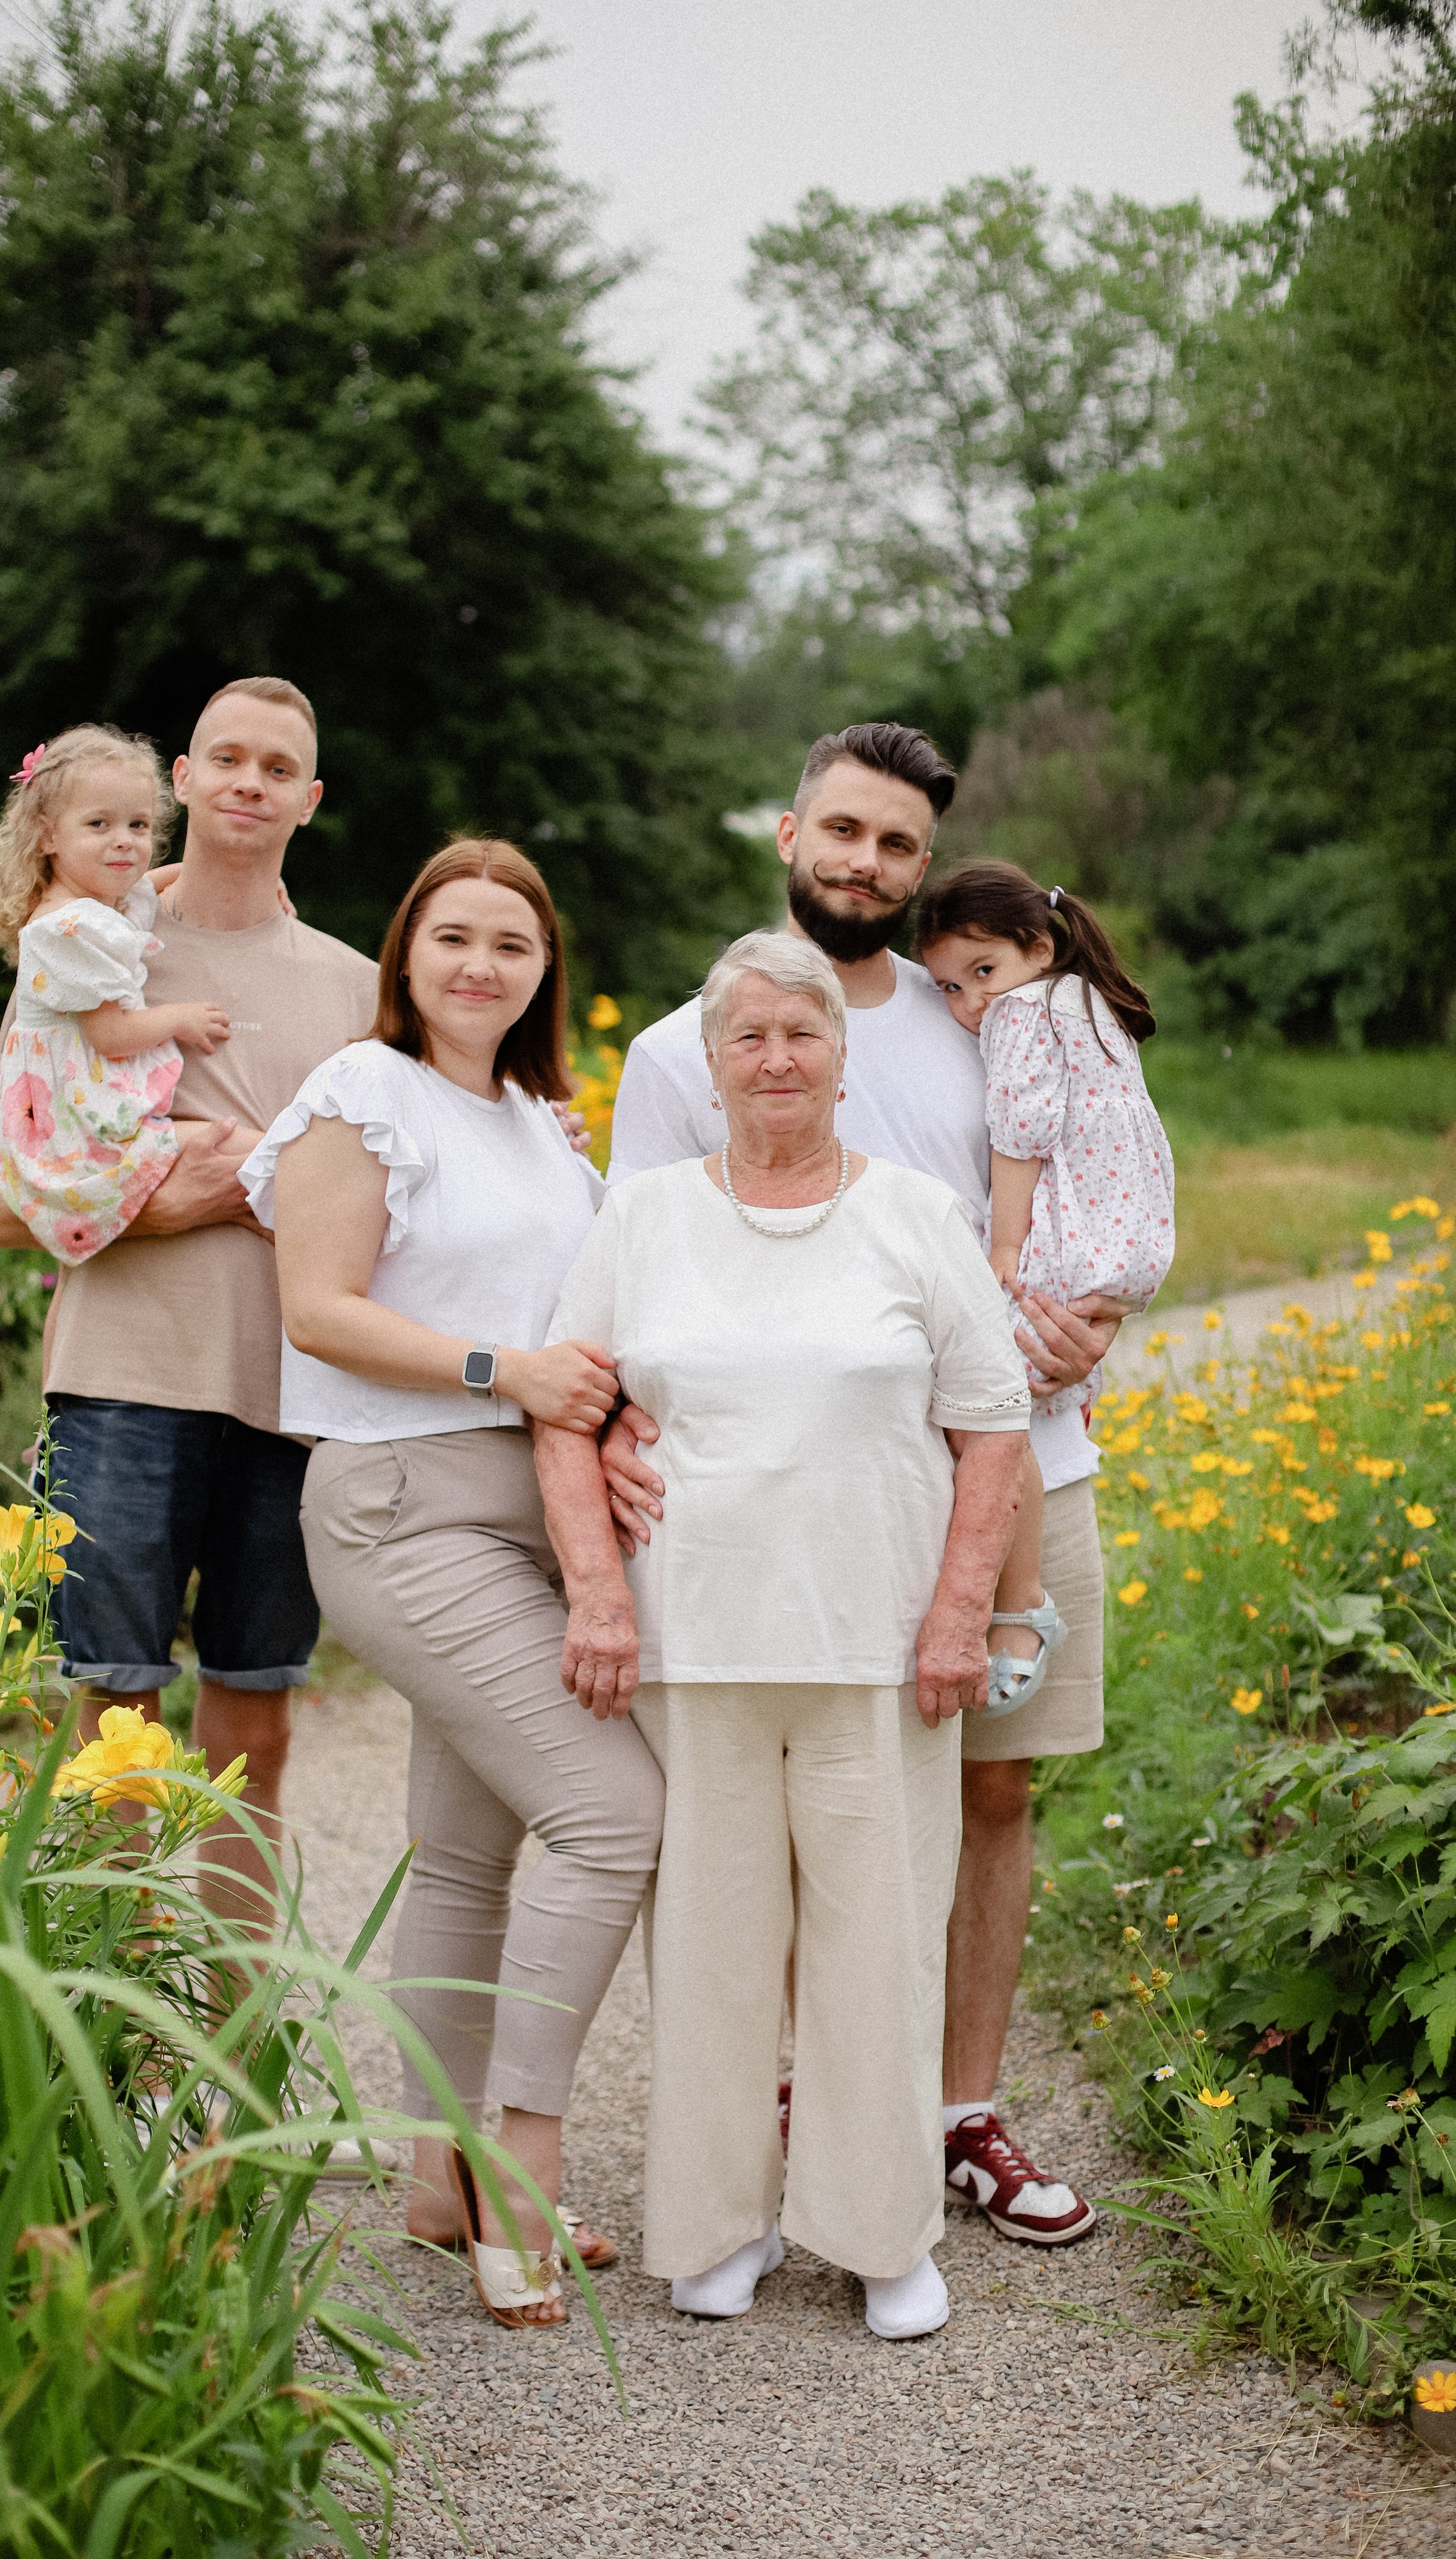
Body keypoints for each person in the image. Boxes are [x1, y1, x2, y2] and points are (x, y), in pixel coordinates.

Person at [604, 720, 1117, 2245]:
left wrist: (1108, 1301)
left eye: (895, 842)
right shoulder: (692, 1040)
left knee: (997, 1780)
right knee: (778, 1800)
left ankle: (957, 2109)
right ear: (786, 832)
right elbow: (637, 1268)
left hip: (1018, 1459)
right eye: (840, 830)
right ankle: (793, 2108)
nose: (863, 862)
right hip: (785, 1493)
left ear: (920, 863)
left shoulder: (985, 1020)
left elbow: (1095, 1177)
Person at [537, 930, 1030, 2338]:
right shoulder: (640, 1217)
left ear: (837, 1055)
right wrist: (592, 1591)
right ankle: (716, 2224)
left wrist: (956, 1614)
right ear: (707, 1061)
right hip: (690, 1645)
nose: (773, 1060)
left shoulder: (916, 1214)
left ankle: (880, 2237)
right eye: (745, 1036)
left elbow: (990, 1429)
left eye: (799, 1035)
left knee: (878, 1942)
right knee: (707, 1946)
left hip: (879, 1647)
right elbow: (564, 1414)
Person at [241, 838, 663, 2332]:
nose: (481, 965)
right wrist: (508, 1372)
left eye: (512, 943)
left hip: (525, 1518)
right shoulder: (362, 1096)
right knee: (615, 1816)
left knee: (470, 1857)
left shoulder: (545, 1127)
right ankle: (510, 2163)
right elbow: (318, 1308)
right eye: (453, 937)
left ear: (545, 971)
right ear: (405, 955)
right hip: (400, 1508)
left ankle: (432, 2181)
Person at [0, 676, 377, 1917]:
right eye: (225, 758)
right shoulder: (88, 942)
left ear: (310, 800)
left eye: (277, 767)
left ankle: (229, 2052)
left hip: (292, 1396)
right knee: (116, 1718)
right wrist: (194, 1194)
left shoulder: (359, 988)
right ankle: (114, 2046)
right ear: (183, 780)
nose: (248, 782)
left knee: (257, 1725)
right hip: (124, 1386)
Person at [917, 860, 1176, 1702]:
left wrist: (1003, 1249)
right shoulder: (1088, 999)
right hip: (1126, 1242)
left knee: (993, 1413)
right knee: (1028, 1395)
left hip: (1064, 1244)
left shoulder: (1021, 1016)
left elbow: (1020, 1136)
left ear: (1035, 946)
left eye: (981, 973)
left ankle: (1020, 1601)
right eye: (950, 990)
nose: (970, 1005)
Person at [0, 725, 233, 1264]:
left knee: (245, 1177)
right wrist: (180, 1018)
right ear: (48, 836)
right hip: (75, 1122)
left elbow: (150, 885)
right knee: (246, 1158)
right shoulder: (68, 929)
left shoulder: (93, 901)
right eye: (99, 824)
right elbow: (112, 1036)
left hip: (82, 1101)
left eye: (138, 824)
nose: (125, 840)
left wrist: (235, 879)